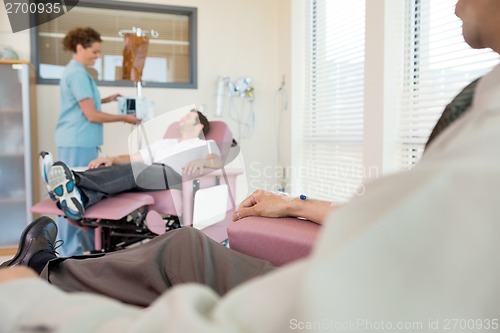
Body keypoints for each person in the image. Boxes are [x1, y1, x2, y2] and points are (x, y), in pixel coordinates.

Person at [1, 0, 500, 330]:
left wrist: (28, 306)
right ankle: (72, 211)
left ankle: (42, 271)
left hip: (179, 176)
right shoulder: (484, 105)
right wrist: (295, 204)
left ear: (199, 124)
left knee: (157, 205)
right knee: (166, 218)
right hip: (153, 165)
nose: (454, 4)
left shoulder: (205, 146)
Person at [41, 109, 222, 221]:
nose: (182, 118)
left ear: (199, 127)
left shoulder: (204, 144)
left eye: (188, 116)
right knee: (119, 169)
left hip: (172, 175)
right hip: (147, 174)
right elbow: (134, 156)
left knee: (137, 170)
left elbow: (216, 161)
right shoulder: (164, 143)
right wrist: (111, 159)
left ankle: (73, 178)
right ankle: (80, 198)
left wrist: (202, 161)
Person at [55, 27, 141, 255]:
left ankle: (79, 249)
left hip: (81, 140)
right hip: (77, 140)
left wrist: (108, 98)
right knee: (72, 196)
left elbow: (84, 102)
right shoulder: (77, 74)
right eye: (94, 51)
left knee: (79, 193)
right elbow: (91, 114)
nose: (97, 56)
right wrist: (124, 117)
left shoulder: (78, 72)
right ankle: (68, 253)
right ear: (79, 47)